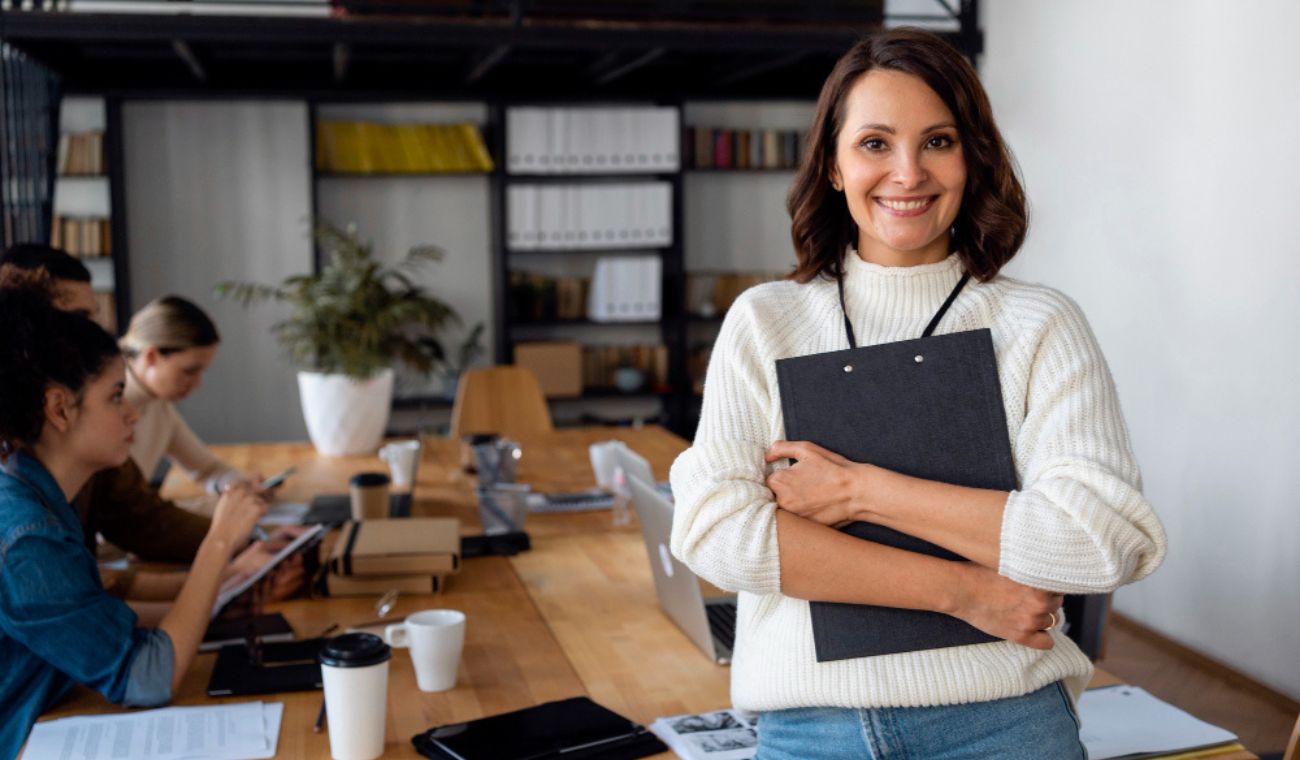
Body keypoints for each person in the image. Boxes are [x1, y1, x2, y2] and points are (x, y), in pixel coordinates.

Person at [668, 28, 1167, 759]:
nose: (907, 172)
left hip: (1005, 724)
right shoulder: (768, 320)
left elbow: (1103, 541)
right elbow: (716, 535)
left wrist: (862, 493)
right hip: (812, 730)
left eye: (937, 141)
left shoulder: (1037, 324)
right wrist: (966, 592)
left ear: (973, 159)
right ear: (834, 166)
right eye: (874, 143)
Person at [0, 290, 267, 758]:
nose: (132, 413)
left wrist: (216, 600)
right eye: (116, 396)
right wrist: (221, 539)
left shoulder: (37, 497)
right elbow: (149, 677)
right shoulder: (27, 534)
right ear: (59, 408)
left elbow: (95, 618)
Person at [0, 244, 303, 613]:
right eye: (77, 319)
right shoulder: (23, 508)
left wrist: (232, 570)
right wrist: (225, 563)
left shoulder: (77, 442)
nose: (131, 415)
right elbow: (93, 593)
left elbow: (116, 553)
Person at [119, 295, 263, 493]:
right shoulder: (108, 408)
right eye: (189, 371)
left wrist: (239, 485)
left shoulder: (157, 404)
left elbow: (208, 469)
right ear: (151, 356)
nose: (197, 384)